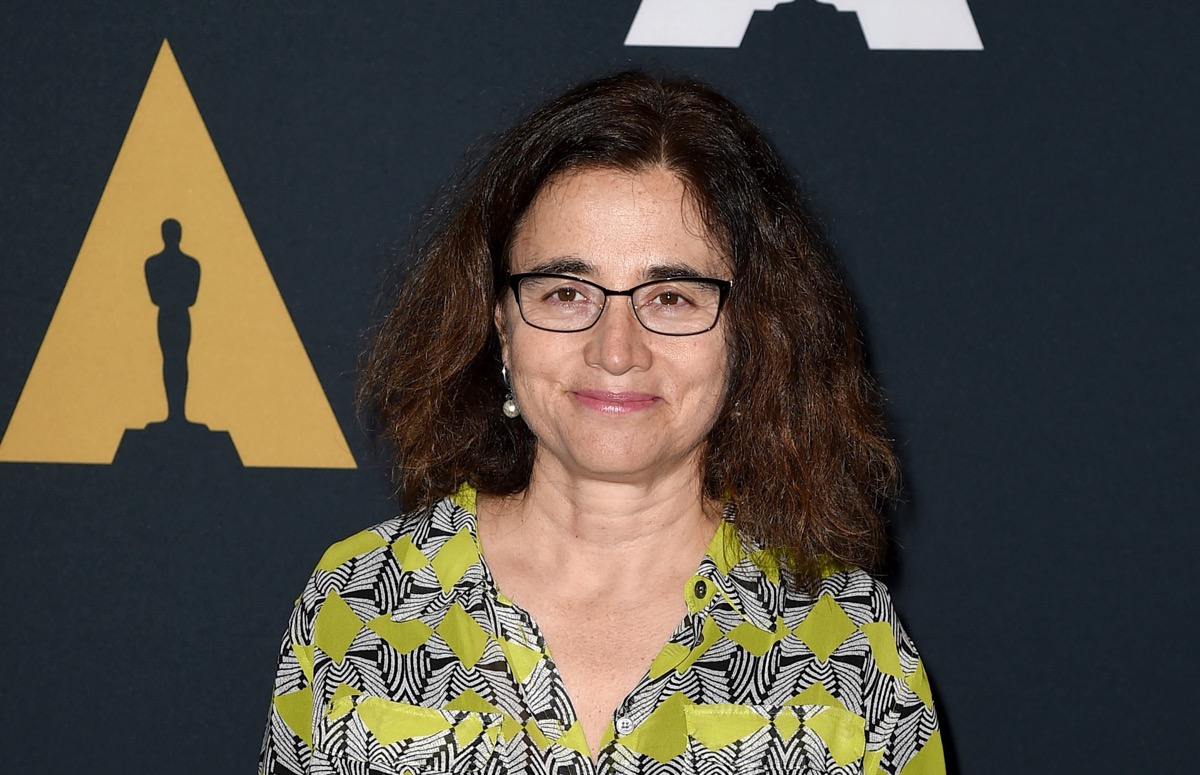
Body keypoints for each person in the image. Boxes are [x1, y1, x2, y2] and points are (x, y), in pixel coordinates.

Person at [259, 71, 944, 775]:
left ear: (750, 334)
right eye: (566, 293)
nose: (616, 350)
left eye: (671, 297)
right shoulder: (360, 601)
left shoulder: (845, 638)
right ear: (501, 326)